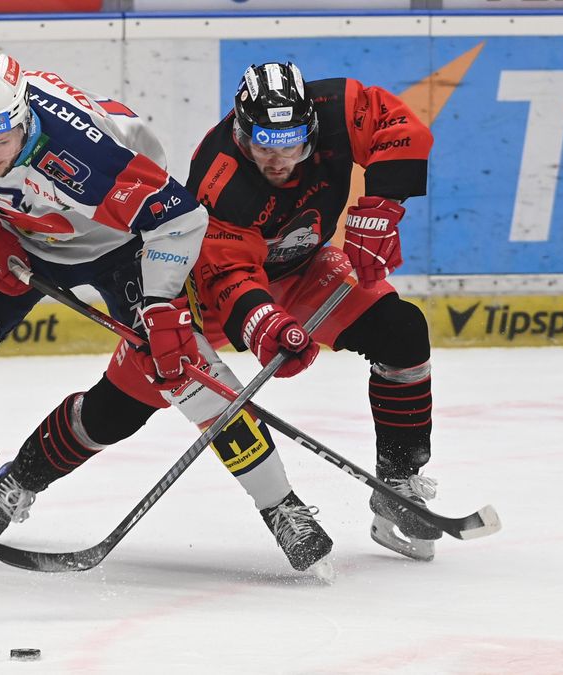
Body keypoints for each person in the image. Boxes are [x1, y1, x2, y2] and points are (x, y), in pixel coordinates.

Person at [0, 53, 331, 572]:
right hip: (17, 235)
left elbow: (179, 221)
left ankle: (281, 506)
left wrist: (160, 306)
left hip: (128, 242)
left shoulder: (85, 157)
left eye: (3, 141)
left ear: (25, 119)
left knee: (185, 368)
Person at [178, 62, 443, 561]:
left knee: (403, 330)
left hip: (304, 272)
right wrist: (265, 323)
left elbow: (401, 128)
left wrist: (382, 203)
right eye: (263, 146)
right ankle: (18, 480)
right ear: (240, 132)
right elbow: (228, 275)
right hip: (207, 300)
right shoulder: (218, 177)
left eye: (294, 144)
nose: (279, 160)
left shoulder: (338, 108)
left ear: (312, 128)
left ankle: (397, 483)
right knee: (127, 400)